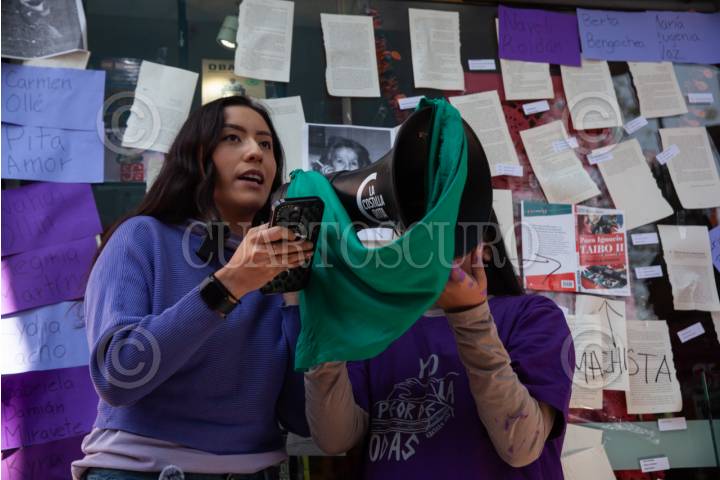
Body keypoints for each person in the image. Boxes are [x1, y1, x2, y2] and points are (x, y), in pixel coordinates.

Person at [72, 95, 314, 480]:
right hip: (142, 472)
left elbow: (303, 417)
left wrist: (297, 306)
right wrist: (231, 283)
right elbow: (118, 375)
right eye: (233, 138)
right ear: (197, 157)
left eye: (266, 144)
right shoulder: (141, 237)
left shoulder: (279, 268)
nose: (255, 152)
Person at [302, 219, 573, 479]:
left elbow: (521, 446)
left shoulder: (532, 315)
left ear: (486, 247)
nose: (432, 244)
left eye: (450, 229)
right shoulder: (378, 327)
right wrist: (328, 335)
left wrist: (470, 315)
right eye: (416, 232)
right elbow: (335, 439)